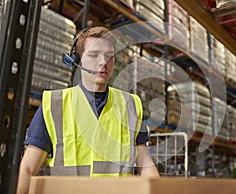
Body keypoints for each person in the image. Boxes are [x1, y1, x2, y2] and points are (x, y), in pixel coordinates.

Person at [17, 27, 160, 194]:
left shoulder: (130, 105)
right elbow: (27, 169)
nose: (103, 62)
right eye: (94, 55)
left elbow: (146, 166)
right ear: (78, 60)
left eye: (109, 56)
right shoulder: (54, 104)